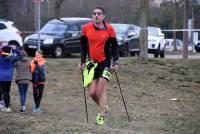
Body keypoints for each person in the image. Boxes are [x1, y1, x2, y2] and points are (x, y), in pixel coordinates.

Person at [79, 6, 119, 125]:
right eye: (94, 13)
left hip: (106, 62)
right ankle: (103, 107)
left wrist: (115, 61)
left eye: (99, 13)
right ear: (92, 16)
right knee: (92, 92)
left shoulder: (109, 29)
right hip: (92, 63)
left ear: (103, 16)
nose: (96, 15)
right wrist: (82, 61)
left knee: (100, 89)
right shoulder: (86, 28)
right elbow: (83, 47)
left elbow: (115, 47)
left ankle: (101, 116)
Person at [0, 45, 23, 112]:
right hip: (9, 78)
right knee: (7, 92)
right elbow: (21, 55)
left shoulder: (1, 57)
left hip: (1, 78)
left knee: (4, 92)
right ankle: (8, 105)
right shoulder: (12, 58)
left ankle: (7, 107)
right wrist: (15, 49)